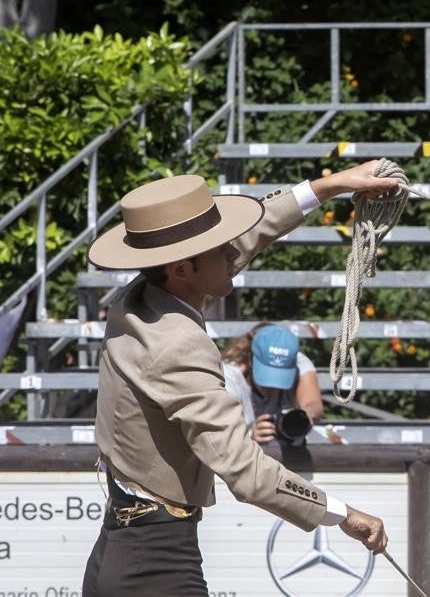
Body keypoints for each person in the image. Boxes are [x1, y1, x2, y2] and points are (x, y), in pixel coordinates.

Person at [81, 162, 399, 596]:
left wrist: (331, 186)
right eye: (218, 250)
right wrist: (343, 514)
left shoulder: (141, 300)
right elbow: (245, 470)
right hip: (153, 561)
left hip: (126, 544)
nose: (233, 252)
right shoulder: (178, 345)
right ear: (180, 269)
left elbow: (248, 236)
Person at [222, 324, 323, 443]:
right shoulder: (228, 378)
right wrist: (249, 437)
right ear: (250, 360)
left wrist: (305, 415)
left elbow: (314, 405)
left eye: (281, 375)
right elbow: (223, 440)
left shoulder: (298, 363)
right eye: (266, 374)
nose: (271, 386)